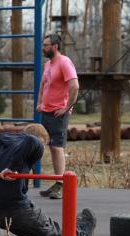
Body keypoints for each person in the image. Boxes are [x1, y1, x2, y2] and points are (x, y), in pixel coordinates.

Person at [0, 124, 96, 236]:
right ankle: (83, 234)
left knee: (42, 232)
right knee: (52, 230)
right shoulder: (34, 143)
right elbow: (32, 140)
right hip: (17, 209)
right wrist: (12, 167)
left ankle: (79, 232)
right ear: (43, 141)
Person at [37, 34, 79, 199]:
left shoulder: (64, 62)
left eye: (46, 45)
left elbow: (74, 86)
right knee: (45, 147)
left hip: (58, 113)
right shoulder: (48, 64)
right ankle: (56, 181)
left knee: (57, 147)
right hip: (46, 111)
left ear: (55, 46)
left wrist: (67, 108)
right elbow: (43, 84)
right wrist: (40, 102)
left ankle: (61, 185)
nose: (43, 47)